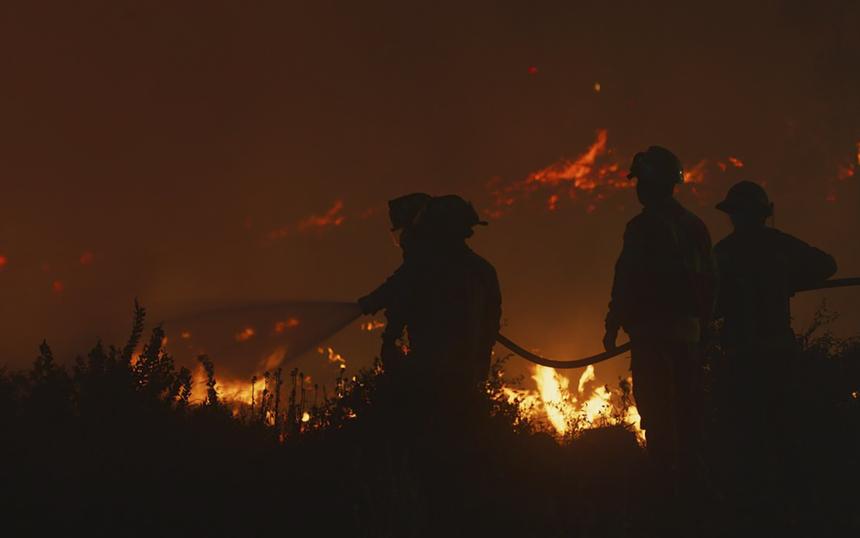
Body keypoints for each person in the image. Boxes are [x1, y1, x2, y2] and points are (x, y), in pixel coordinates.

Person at [711, 180, 837, 527]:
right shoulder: (778, 246)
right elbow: (826, 265)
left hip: (741, 360)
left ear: (736, 215)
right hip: (777, 357)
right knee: (784, 434)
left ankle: (754, 513)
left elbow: (707, 302)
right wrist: (787, 277)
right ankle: (793, 510)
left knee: (746, 439)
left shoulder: (723, 253)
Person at [602, 146, 717, 499]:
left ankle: (664, 490)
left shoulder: (642, 227)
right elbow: (710, 281)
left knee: (657, 411)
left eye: (640, 181)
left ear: (650, 184)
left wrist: (612, 323)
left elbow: (627, 277)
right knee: (689, 411)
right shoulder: (695, 226)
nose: (637, 188)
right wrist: (706, 329)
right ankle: (695, 487)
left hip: (652, 334)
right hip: (690, 333)